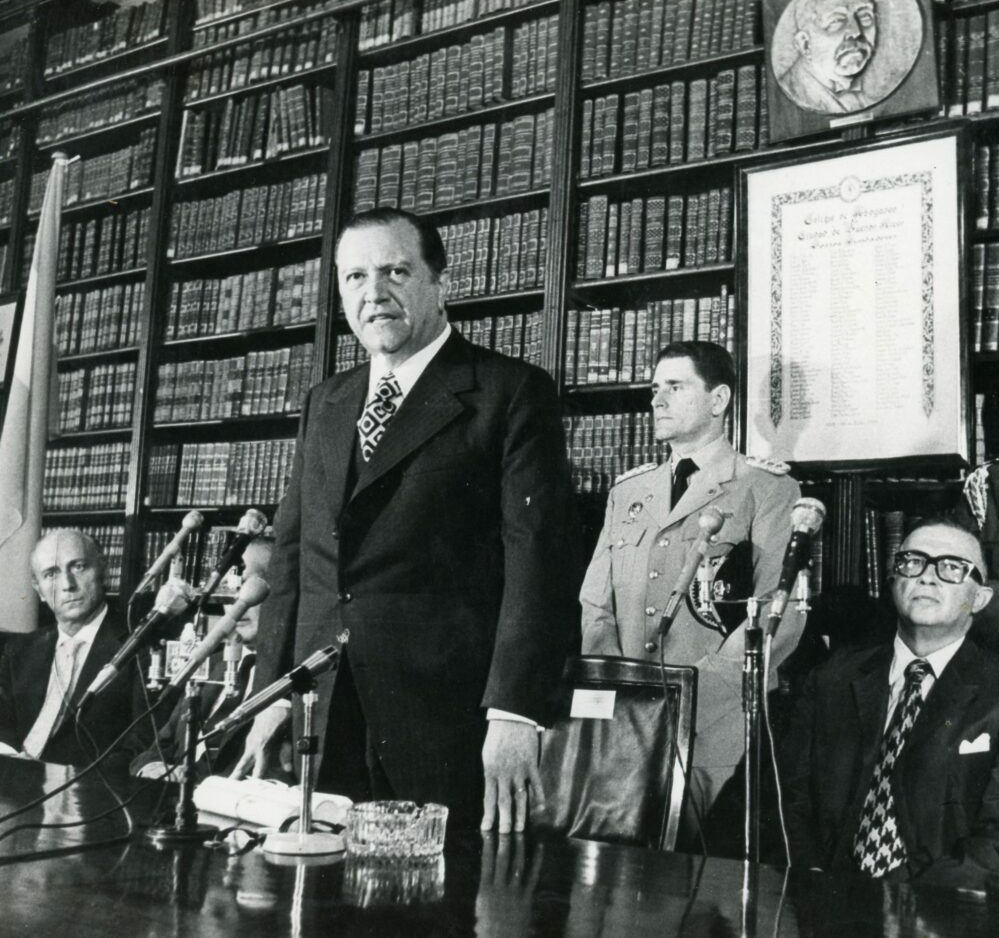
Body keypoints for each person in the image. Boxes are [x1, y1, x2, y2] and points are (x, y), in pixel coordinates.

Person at [237, 207, 580, 831]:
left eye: (396, 270)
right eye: (356, 278)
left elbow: (540, 564)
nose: (375, 294)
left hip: (446, 721)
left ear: (438, 281)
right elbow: (293, 561)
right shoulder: (326, 401)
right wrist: (272, 695)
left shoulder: (509, 393)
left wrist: (513, 713)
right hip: (323, 712)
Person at [579, 340, 802, 840]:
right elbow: (596, 602)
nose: (656, 400)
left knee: (689, 871)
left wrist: (688, 698)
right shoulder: (629, 491)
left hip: (714, 725)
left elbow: (779, 612)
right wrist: (622, 691)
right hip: (624, 721)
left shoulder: (766, 489)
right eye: (655, 389)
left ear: (719, 400)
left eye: (675, 388)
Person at [782, 517, 999, 892]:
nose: (927, 577)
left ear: (980, 598)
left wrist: (899, 902)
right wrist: (814, 882)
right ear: (893, 581)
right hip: (827, 902)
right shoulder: (832, 677)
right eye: (912, 561)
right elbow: (787, 803)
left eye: (951, 568)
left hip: (941, 909)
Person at [131, 539, 281, 781]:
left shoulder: (288, 675)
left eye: (251, 584)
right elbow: (161, 746)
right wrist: (151, 768)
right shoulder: (208, 663)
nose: (238, 600)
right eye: (230, 588)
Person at [0, 529, 146, 766]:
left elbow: (140, 745)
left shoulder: (138, 648)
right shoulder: (19, 650)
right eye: (51, 574)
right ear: (39, 590)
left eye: (78, 567)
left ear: (104, 571)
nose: (67, 584)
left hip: (87, 791)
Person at [778, 0, 879, 115]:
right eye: (837, 21)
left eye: (864, 16)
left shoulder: (862, 96)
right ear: (805, 43)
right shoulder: (795, 93)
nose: (856, 32)